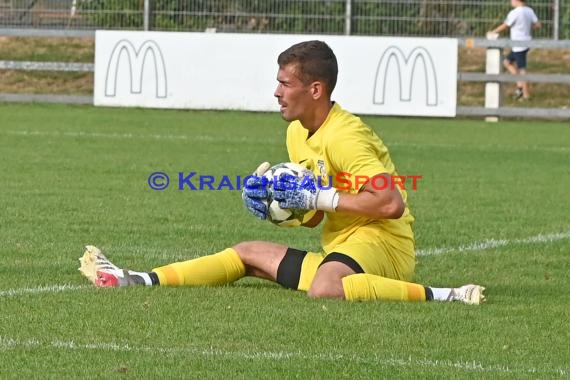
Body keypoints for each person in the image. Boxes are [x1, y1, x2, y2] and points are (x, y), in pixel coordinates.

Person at [79, 40, 485, 305]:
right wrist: (279, 208)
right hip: (341, 248)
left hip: (384, 246)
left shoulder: (346, 135)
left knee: (326, 287)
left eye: (285, 83)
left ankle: (448, 295)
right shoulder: (296, 133)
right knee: (246, 253)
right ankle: (139, 280)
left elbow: (391, 203)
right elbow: (317, 217)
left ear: (315, 90)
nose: (276, 92)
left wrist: (319, 197)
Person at [490, 0, 541, 100]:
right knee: (506, 62)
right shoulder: (529, 11)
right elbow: (538, 25)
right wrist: (526, 26)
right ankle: (520, 86)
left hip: (519, 45)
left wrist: (493, 32)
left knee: (522, 69)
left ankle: (526, 94)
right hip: (525, 43)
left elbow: (505, 25)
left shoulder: (515, 13)